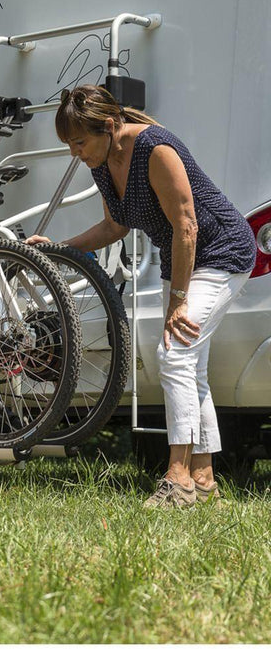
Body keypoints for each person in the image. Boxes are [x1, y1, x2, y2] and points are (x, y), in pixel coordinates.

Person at [26, 84, 256, 508]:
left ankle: (178, 479)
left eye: (79, 141)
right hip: (181, 259)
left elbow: (187, 225)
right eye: (69, 144)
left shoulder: (155, 149)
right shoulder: (102, 163)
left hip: (221, 251)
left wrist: (178, 301)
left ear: (109, 126)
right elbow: (113, 227)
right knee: (190, 364)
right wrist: (59, 248)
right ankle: (204, 481)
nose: (74, 152)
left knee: (174, 353)